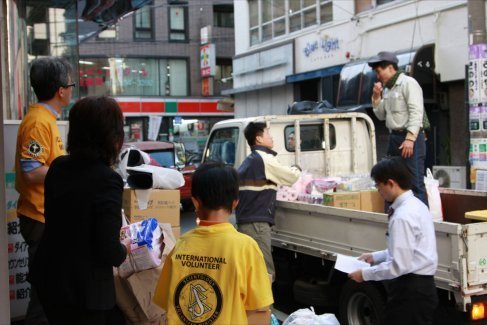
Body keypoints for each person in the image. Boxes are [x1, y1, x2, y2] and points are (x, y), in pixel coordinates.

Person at [28, 96, 132, 325]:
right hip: (85, 291)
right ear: (111, 136)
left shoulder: (57, 167)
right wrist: (125, 247)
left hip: (50, 280)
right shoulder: (107, 180)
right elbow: (109, 251)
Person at [153, 161, 274, 324]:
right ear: (235, 202)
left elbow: (166, 302)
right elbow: (259, 310)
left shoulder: (181, 245)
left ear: (196, 202)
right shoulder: (246, 247)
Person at [14, 56, 75, 324]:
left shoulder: (45, 119)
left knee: (48, 289)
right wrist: (69, 173)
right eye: (71, 84)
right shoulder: (39, 122)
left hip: (44, 215)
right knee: (44, 291)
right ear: (61, 90)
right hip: (38, 217)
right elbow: (31, 170)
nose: (72, 89)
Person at [348, 157, 438, 325]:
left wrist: (365, 275)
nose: (378, 191)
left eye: (378, 185)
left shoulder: (402, 216)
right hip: (421, 288)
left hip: (410, 290)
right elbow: (409, 251)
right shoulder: (418, 205)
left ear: (390, 183)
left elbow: (398, 265)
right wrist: (375, 256)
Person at [236, 122, 301, 281]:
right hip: (256, 224)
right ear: (258, 139)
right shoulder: (264, 159)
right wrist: (297, 168)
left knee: (251, 270)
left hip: (247, 222)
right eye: (267, 134)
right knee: (264, 272)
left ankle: (251, 305)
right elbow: (290, 177)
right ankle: (264, 306)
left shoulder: (251, 160)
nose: (271, 137)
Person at [368, 51, 428, 206]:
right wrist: (376, 98)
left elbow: (417, 112)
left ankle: (420, 220)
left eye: (378, 71)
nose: (377, 76)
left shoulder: (408, 83)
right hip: (394, 138)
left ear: (389, 68)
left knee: (414, 182)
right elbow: (381, 116)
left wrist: (410, 138)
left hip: (409, 139)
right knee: (392, 180)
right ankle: (395, 216)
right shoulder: (388, 89)